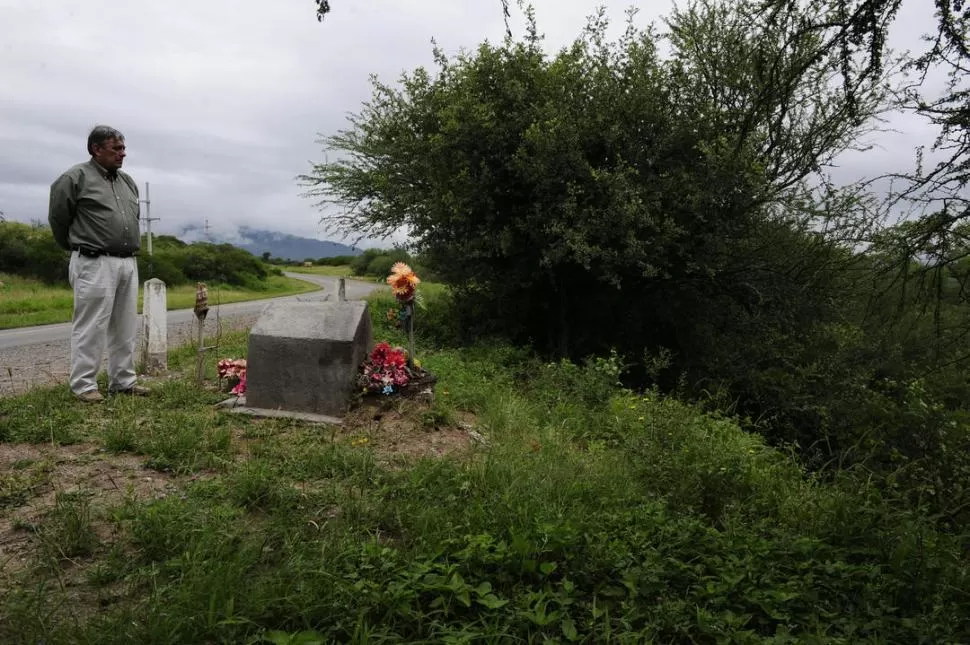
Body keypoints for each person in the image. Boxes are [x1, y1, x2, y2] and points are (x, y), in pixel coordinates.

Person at [48, 125, 149, 402]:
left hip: (128, 262)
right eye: (116, 148)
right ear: (96, 149)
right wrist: (76, 247)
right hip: (93, 261)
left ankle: (123, 381)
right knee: (91, 324)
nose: (123, 154)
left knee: (125, 325)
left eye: (123, 148)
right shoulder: (74, 178)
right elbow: (59, 219)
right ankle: (84, 385)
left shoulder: (127, 181)